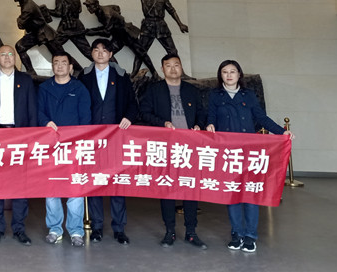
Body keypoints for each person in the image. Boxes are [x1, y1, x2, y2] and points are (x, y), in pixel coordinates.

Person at [206, 59, 293, 254]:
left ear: (239, 75)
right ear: (220, 76)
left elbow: (261, 118)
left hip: (249, 151)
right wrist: (209, 125)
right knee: (232, 193)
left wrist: (282, 132)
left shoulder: (249, 95)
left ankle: (250, 236)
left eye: (233, 71)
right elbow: (210, 117)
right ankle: (236, 233)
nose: (229, 75)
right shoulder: (215, 95)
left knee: (250, 193)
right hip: (228, 152)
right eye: (225, 72)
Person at [140, 54, 207, 249]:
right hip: (165, 145)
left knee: (190, 188)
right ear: (162, 69)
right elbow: (144, 113)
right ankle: (169, 231)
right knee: (167, 188)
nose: (173, 69)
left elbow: (202, 112)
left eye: (176, 65)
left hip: (189, 146)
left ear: (181, 67)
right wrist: (163, 123)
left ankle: (191, 232)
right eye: (168, 66)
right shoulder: (154, 90)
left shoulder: (192, 90)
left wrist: (199, 125)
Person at [80, 38, 139, 245]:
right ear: (91, 53)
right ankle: (96, 227)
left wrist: (128, 117)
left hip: (116, 138)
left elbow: (133, 103)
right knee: (95, 182)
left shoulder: (121, 76)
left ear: (111, 54)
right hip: (92, 139)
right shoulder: (84, 76)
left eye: (104, 50)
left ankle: (119, 228)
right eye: (96, 50)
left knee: (117, 182)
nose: (100, 53)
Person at [0, 45, 37, 246]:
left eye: (10, 54)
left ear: (15, 58)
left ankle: (19, 229)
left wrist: (32, 137)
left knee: (20, 185)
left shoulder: (25, 80)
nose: (7, 57)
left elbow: (32, 110)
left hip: (19, 136)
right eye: (3, 54)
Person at [37, 52, 91, 247]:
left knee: (75, 188)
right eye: (56, 63)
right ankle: (55, 229)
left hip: (74, 145)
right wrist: (45, 122)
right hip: (51, 146)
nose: (59, 66)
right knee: (52, 188)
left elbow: (86, 118)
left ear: (70, 67)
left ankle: (76, 231)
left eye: (64, 63)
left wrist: (80, 140)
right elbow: (38, 111)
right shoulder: (44, 88)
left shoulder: (79, 88)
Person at [116, 0, 188, 66]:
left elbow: (172, 11)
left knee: (172, 51)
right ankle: (134, 73)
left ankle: (181, 72)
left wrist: (180, 24)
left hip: (161, 25)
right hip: (148, 26)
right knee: (141, 51)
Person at [7, 0, 65, 75]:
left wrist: (18, 19)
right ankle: (31, 72)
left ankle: (77, 69)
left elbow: (20, 25)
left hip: (44, 33)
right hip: (36, 32)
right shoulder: (25, 3)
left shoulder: (27, 7)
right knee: (20, 46)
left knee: (60, 55)